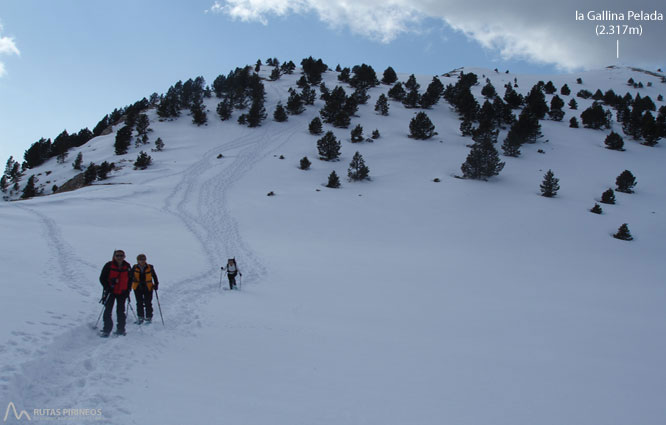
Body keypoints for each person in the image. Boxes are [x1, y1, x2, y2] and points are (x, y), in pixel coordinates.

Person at [99, 250, 132, 337]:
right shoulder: (109, 265)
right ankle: (107, 330)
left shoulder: (127, 266)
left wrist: (128, 290)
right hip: (111, 292)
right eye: (117, 255)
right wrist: (107, 287)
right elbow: (102, 278)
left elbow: (130, 279)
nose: (119, 257)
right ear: (114, 256)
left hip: (122, 292)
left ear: (124, 256)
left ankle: (121, 329)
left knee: (121, 311)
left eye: (121, 255)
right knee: (108, 311)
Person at [131, 254, 159, 324]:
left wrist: (156, 284)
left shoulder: (150, 267)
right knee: (139, 303)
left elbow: (154, 277)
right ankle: (140, 317)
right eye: (141, 259)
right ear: (138, 260)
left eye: (144, 259)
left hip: (148, 287)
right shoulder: (134, 267)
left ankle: (149, 317)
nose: (143, 261)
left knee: (148, 303)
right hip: (137, 287)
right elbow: (130, 276)